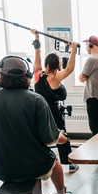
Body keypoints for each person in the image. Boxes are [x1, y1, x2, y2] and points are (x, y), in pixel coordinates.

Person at [0, 55, 71, 194]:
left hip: (1, 168)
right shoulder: (36, 100)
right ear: (27, 77)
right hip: (33, 166)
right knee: (55, 162)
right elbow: (50, 139)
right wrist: (63, 138)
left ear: (0, 75)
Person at [31, 29, 79, 172]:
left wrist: (37, 37)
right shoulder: (55, 76)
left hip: (38, 110)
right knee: (61, 135)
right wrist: (74, 50)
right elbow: (70, 68)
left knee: (39, 136)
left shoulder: (37, 73)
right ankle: (69, 163)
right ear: (57, 63)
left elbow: (37, 53)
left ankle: (41, 163)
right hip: (52, 111)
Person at [79, 36, 98, 137]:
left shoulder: (92, 59)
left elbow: (82, 77)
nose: (86, 47)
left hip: (93, 97)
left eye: (87, 45)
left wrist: (82, 78)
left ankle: (97, 148)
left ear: (91, 45)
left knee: (94, 126)